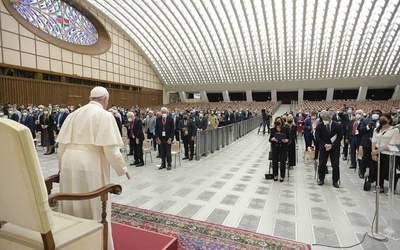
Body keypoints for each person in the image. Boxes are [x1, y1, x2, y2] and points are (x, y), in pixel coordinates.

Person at [56, 86, 130, 250]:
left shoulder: (72, 114)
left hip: (69, 161)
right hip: (90, 163)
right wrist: (123, 168)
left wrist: (61, 167)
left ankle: (71, 242)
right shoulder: (105, 115)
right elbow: (110, 149)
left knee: (72, 199)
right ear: (105, 99)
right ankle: (95, 244)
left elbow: (61, 146)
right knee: (92, 203)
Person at [371, 113, 400, 193]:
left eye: (384, 119)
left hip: (388, 152)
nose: (382, 121)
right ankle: (380, 187)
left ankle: (391, 188)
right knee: (378, 170)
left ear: (389, 120)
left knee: (389, 170)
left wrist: (378, 150)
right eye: (380, 119)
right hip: (377, 151)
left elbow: (392, 143)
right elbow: (373, 141)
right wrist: (373, 152)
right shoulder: (377, 129)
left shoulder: (394, 130)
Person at [315, 111, 343, 188]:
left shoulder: (337, 125)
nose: (325, 120)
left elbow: (339, 137)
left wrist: (332, 145)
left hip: (334, 147)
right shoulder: (319, 126)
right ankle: (321, 179)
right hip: (324, 147)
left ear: (330, 119)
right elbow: (318, 137)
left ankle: (335, 181)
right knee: (322, 164)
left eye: (326, 119)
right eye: (323, 118)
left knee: (335, 164)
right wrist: (325, 144)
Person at [359, 110, 381, 180]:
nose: (376, 115)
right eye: (374, 113)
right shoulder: (366, 120)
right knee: (365, 158)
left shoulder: (382, 122)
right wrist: (368, 126)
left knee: (375, 160)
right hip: (367, 143)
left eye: (377, 114)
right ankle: (362, 172)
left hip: (378, 144)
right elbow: (360, 130)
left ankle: (373, 175)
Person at [269, 116, 290, 182]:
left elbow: (289, 138)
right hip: (275, 147)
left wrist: (286, 140)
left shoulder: (286, 129)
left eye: (280, 120)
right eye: (277, 120)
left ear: (282, 122)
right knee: (274, 161)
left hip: (283, 147)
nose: (279, 122)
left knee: (283, 161)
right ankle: (275, 175)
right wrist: (272, 139)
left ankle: (282, 176)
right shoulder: (273, 129)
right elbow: (270, 139)